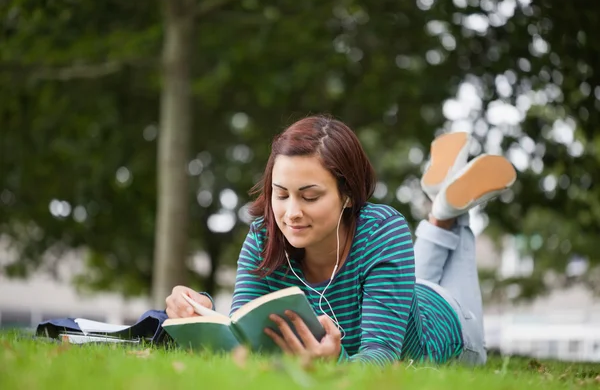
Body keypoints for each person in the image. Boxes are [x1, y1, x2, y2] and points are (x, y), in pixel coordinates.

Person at [165, 115, 516, 366]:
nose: (291, 213)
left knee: (459, 216)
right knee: (403, 275)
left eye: (310, 196)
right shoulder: (264, 236)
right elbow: (243, 336)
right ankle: (442, 204)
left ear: (347, 194)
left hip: (448, 323)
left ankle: (451, 209)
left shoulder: (382, 230)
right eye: (281, 194)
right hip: (399, 290)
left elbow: (381, 359)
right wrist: (201, 312)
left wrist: (337, 362)